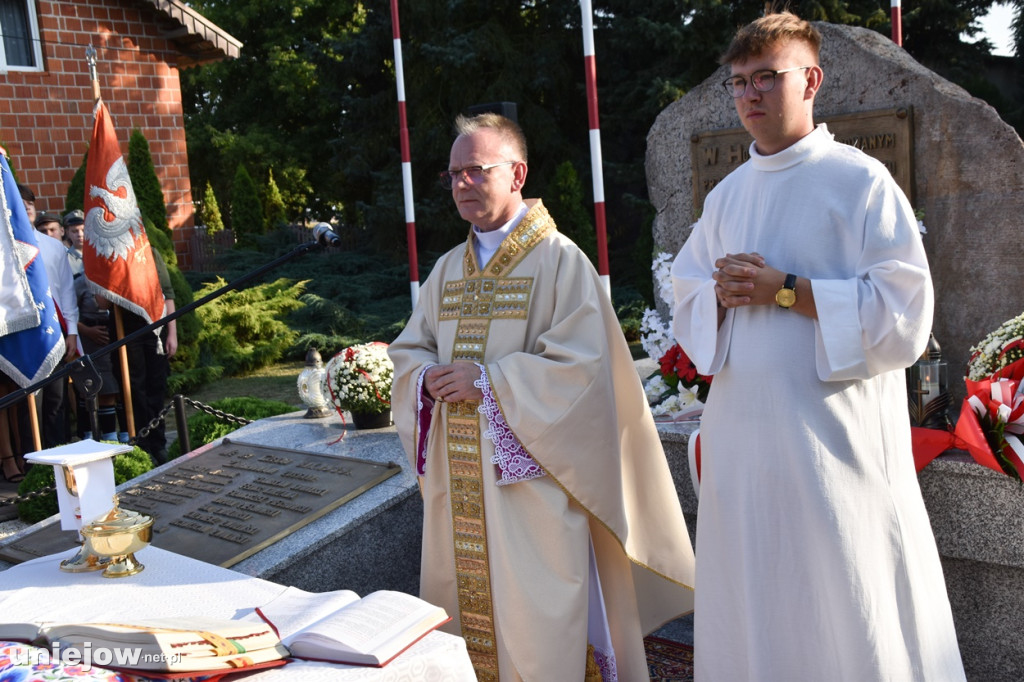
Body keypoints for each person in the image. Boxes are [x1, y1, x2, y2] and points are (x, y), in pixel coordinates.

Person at [669, 12, 965, 681]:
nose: (750, 94)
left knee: (843, 590)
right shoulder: (726, 197)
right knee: (758, 592)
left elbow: (904, 315)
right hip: (745, 441)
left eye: (768, 78)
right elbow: (688, 288)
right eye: (740, 82)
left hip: (831, 442)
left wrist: (785, 289)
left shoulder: (859, 183)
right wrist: (715, 291)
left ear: (812, 80)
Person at [388, 112, 695, 681]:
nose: (461, 184)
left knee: (539, 628)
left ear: (517, 173)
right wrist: (425, 377)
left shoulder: (560, 261)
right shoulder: (446, 270)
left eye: (476, 171)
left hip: (530, 488)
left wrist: (490, 383)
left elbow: (583, 371)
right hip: (459, 490)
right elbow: (410, 349)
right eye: (452, 174)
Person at [65, 209, 122, 441]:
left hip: (109, 333)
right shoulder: (79, 281)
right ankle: (88, 436)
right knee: (87, 388)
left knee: (110, 388)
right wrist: (86, 330)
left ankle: (112, 436)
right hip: (87, 337)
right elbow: (69, 311)